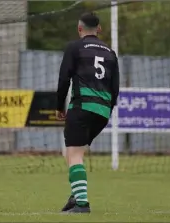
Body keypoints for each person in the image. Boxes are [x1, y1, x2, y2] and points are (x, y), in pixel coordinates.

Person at [55, 12, 119, 214]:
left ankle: (82, 203)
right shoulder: (110, 52)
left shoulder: (75, 47)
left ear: (79, 28)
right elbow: (115, 87)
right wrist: (108, 109)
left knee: (73, 154)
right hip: (102, 111)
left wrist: (59, 106)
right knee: (74, 153)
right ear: (99, 29)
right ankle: (76, 195)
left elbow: (64, 79)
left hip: (82, 106)